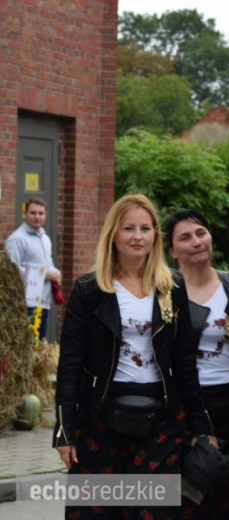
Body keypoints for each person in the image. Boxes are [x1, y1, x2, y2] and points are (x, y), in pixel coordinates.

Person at [53, 194, 216, 519]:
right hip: (100, 418)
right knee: (97, 511)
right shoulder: (89, 290)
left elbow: (185, 364)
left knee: (155, 511)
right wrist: (63, 430)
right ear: (114, 234)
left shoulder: (172, 288)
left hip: (161, 422)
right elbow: (70, 364)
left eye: (145, 228)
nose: (138, 236)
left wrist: (201, 426)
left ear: (156, 234)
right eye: (129, 228)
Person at [163, 210, 229, 519]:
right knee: (190, 502)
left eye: (201, 233)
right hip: (191, 410)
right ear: (171, 250)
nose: (197, 241)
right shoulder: (166, 292)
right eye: (185, 237)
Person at [5, 197, 61, 339]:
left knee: (39, 344)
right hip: (24, 303)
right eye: (33, 213)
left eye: (41, 213)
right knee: (25, 345)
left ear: (45, 215)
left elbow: (48, 264)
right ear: (25, 214)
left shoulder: (45, 238)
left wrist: (55, 273)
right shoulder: (17, 239)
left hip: (43, 300)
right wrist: (44, 275)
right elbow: (10, 272)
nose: (37, 217)